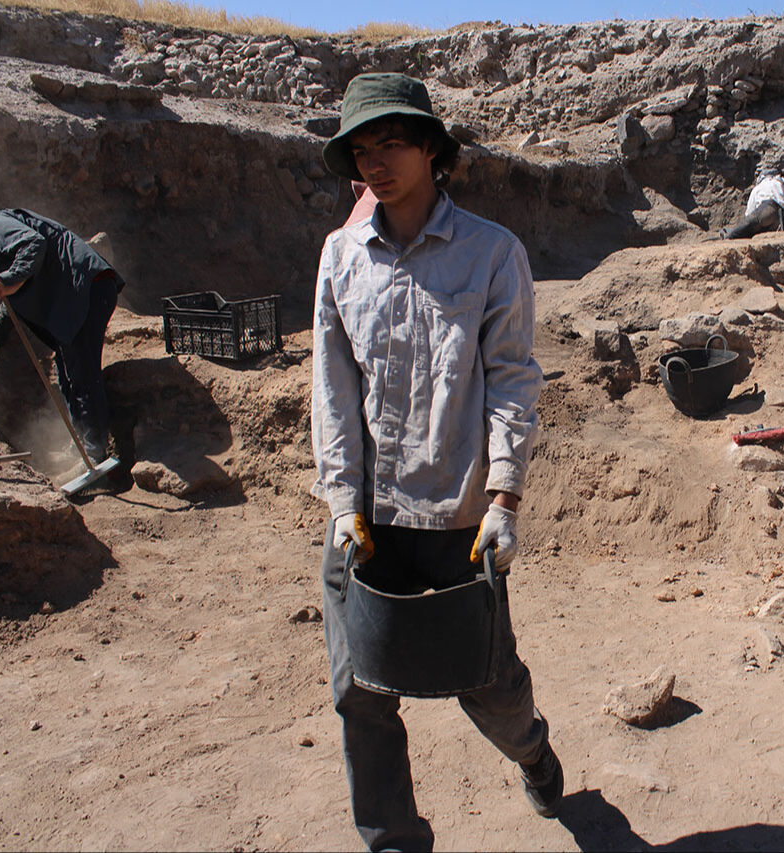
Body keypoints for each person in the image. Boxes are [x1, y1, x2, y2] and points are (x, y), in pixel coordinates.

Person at [311, 72, 560, 851]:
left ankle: (533, 748)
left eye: (391, 143)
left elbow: (514, 379)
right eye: (361, 149)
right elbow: (331, 386)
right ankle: (392, 839)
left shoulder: (492, 253)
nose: (374, 163)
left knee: (486, 684)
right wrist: (343, 503)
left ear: (430, 149)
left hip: (458, 518)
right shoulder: (341, 257)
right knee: (359, 692)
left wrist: (506, 498)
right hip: (367, 521)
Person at [0, 208, 124, 469]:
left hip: (85, 289)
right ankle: (80, 444)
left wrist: (8, 278)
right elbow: (14, 298)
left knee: (82, 374)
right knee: (68, 374)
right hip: (76, 297)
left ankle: (94, 454)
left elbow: (34, 243)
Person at [718, 164, 784, 239]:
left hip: (767, 210)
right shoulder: (781, 184)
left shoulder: (759, 187)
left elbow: (749, 213)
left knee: (748, 225)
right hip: (781, 217)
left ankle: (729, 236)